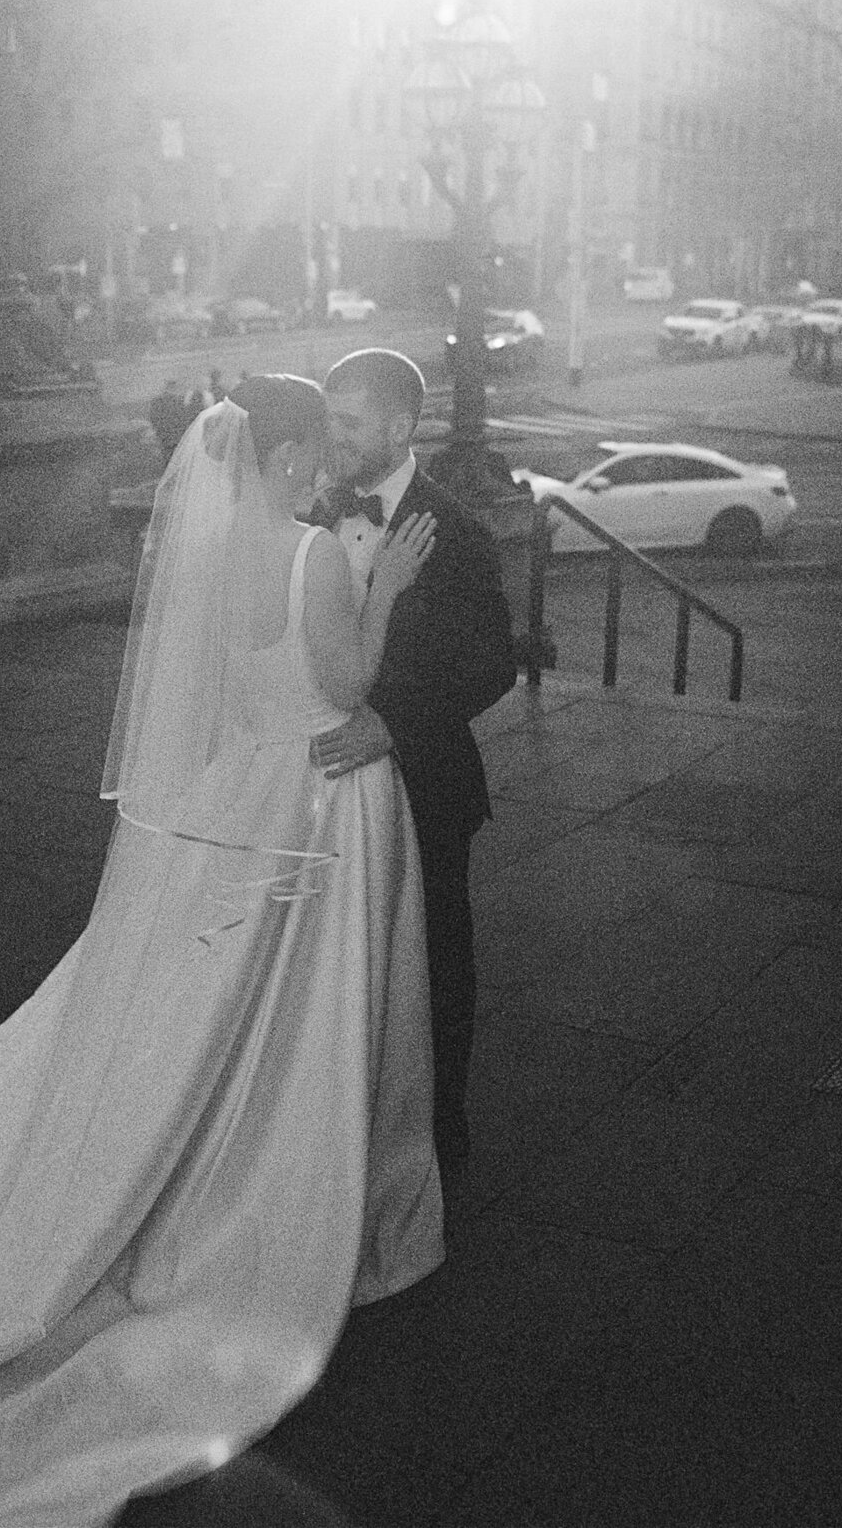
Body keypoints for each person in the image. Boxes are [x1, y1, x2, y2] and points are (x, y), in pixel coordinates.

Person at [0, 377, 444, 1523]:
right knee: (300, 1023)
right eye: (308, 457)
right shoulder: (317, 556)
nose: (323, 476)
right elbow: (347, 683)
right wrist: (388, 589)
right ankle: (272, 1193)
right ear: (275, 456)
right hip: (313, 814)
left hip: (234, 803)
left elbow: (218, 696)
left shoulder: (210, 558)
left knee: (208, 1015)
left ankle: (203, 1161)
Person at [309, 348, 518, 1185]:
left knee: (434, 956)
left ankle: (437, 1129)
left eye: (349, 423)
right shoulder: (314, 509)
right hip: (324, 784)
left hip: (423, 780)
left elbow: (492, 663)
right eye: (328, 419)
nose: (333, 437)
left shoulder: (456, 530)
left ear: (400, 428)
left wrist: (390, 724)